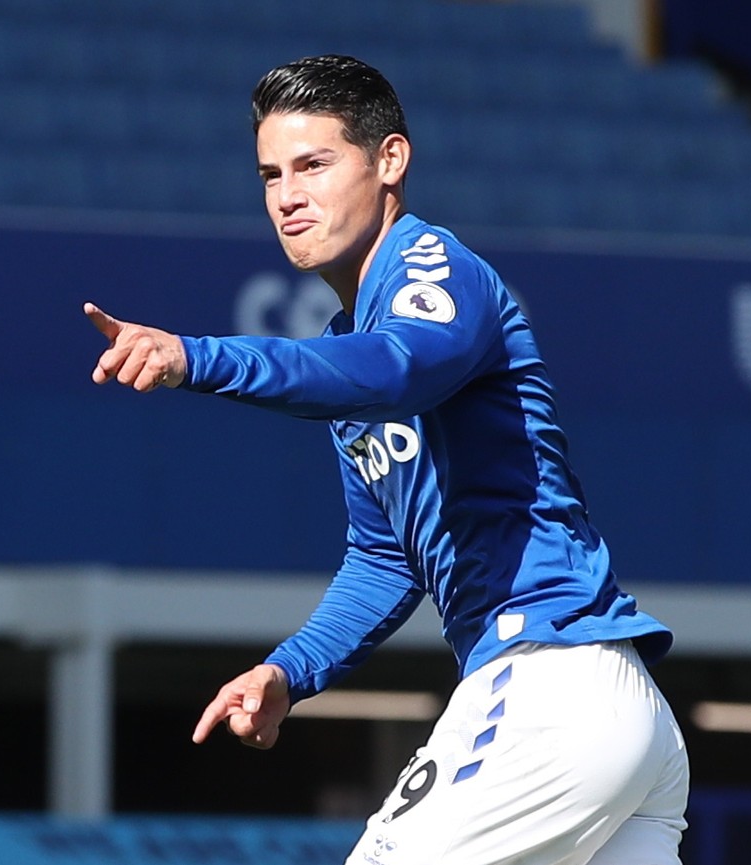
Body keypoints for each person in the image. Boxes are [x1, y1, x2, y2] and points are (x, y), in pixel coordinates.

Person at [85, 54, 689, 865]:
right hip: (607, 715)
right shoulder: (351, 352)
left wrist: (198, 357)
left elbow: (401, 368)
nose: (287, 195)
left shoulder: (435, 269)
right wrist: (288, 670)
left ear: (390, 161)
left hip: (552, 682)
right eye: (270, 174)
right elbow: (384, 557)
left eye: (313, 164)